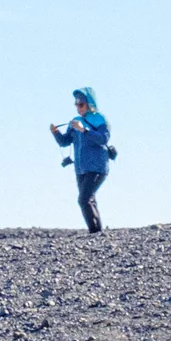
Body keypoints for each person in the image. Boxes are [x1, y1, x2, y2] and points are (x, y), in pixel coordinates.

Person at [50, 85, 115, 233]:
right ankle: (97, 233)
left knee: (84, 199)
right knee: (88, 199)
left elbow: (103, 139)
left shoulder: (99, 119)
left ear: (89, 103)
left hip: (97, 166)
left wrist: (84, 129)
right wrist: (56, 133)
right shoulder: (75, 120)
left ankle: (94, 232)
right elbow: (65, 142)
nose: (78, 107)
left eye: (81, 103)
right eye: (76, 104)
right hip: (81, 168)